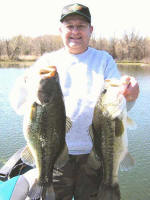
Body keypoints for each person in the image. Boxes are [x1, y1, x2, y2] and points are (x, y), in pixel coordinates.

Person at [8, 3, 139, 200]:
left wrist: (130, 94)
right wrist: (25, 81)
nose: (75, 31)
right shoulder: (47, 62)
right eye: (70, 26)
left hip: (95, 154)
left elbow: (117, 106)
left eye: (81, 26)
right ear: (61, 30)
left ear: (91, 30)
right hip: (57, 153)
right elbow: (17, 104)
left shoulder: (104, 60)